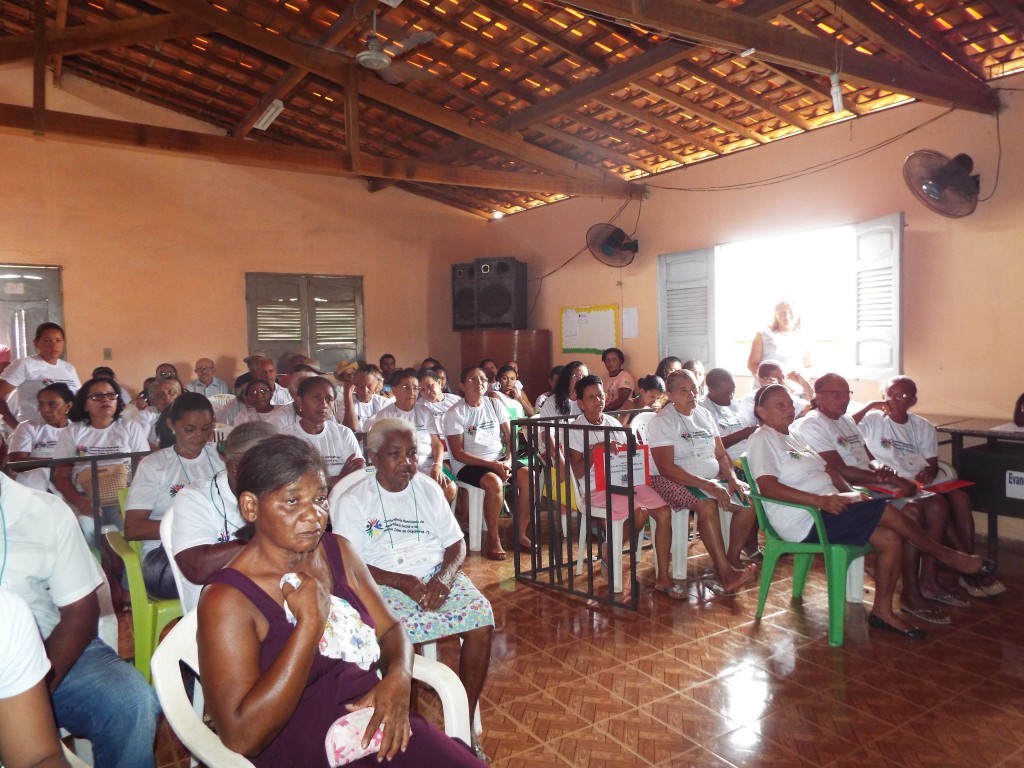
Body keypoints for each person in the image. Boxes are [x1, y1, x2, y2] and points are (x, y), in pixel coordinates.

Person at [196, 435, 485, 768]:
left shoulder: (337, 552)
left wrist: (398, 677)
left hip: (377, 728)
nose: (314, 515)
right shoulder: (228, 599)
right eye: (292, 501)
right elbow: (243, 737)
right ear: (251, 507)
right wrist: (310, 624)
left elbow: (391, 629)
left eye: (320, 499)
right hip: (304, 749)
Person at [747, 383, 996, 639]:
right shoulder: (762, 439)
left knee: (891, 539)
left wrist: (849, 493)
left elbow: (830, 470)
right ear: (761, 412)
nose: (789, 409)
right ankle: (947, 556)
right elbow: (767, 488)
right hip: (804, 519)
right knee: (888, 511)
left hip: (830, 509)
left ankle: (882, 612)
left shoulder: (792, 436)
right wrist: (819, 501)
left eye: (789, 403)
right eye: (780, 405)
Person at [331, 419, 493, 757]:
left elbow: (457, 544)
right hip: (383, 582)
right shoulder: (354, 501)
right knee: (402, 638)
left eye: (412, 454)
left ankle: (463, 724)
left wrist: (445, 579)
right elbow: (349, 563)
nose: (407, 462)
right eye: (395, 454)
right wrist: (403, 582)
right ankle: (412, 728)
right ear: (373, 456)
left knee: (481, 618)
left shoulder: (428, 488)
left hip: (435, 574)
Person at [0, 472, 160, 766]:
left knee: (131, 701)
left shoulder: (42, 511)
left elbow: (81, 609)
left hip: (50, 649)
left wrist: (35, 689)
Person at [793, 373, 958, 623]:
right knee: (912, 511)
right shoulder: (812, 424)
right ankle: (911, 593)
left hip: (873, 483)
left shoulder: (846, 421)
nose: (843, 400)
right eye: (835, 394)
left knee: (937, 504)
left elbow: (869, 457)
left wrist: (883, 469)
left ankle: (929, 581)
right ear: (818, 396)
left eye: (846, 394)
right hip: (848, 489)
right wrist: (888, 480)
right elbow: (839, 470)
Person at [858, 375, 1005, 599]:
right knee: (935, 508)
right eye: (890, 395)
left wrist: (930, 471)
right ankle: (969, 570)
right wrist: (870, 405)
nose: (895, 400)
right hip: (896, 482)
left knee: (961, 499)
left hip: (920, 479)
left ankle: (967, 562)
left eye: (903, 395)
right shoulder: (873, 420)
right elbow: (844, 427)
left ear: (913, 400)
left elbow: (933, 463)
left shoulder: (922, 425)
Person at [567, 376, 681, 597]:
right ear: (581, 402)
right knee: (638, 514)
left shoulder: (612, 422)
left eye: (600, 395)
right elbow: (578, 471)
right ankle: (611, 551)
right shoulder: (576, 429)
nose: (598, 400)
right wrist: (595, 449)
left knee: (663, 511)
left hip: (623, 479)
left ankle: (663, 577)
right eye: (591, 397)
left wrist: (632, 449)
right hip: (595, 488)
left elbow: (623, 455)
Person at [647, 370, 759, 595]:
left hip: (709, 478)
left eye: (694, 390)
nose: (692, 395)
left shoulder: (704, 415)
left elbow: (721, 455)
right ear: (669, 394)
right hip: (669, 479)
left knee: (750, 499)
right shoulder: (662, 421)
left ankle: (730, 561)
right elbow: (666, 467)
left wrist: (733, 480)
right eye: (684, 391)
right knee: (707, 505)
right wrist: (709, 486)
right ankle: (726, 575)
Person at [169, 421, 278, 611]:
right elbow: (197, 568)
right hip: (218, 614)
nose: (278, 472)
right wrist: (267, 536)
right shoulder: (196, 497)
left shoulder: (284, 491)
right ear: (235, 468)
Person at [124, 392, 224, 599]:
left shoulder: (221, 458)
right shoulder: (154, 466)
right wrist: (192, 530)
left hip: (214, 546)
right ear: (171, 425)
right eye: (189, 429)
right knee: (223, 579)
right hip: (164, 554)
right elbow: (133, 528)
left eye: (206, 429)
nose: (199, 436)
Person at [53, 376, 150, 539]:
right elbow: (61, 476)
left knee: (125, 532)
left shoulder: (130, 427)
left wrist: (132, 500)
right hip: (84, 498)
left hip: (123, 496)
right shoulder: (72, 432)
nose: (105, 399)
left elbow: (142, 468)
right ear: (84, 404)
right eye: (97, 396)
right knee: (86, 531)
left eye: (111, 395)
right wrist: (80, 502)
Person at [443, 366, 512, 561]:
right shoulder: (456, 413)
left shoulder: (494, 404)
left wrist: (508, 460)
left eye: (483, 379)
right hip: (468, 465)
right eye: (473, 379)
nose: (480, 383)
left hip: (498, 459)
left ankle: (521, 534)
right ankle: (494, 538)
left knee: (527, 476)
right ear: (462, 386)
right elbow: (458, 453)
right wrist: (494, 466)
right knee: (493, 483)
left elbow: (509, 437)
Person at [0, 589, 72, 768]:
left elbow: (37, 758)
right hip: (29, 662)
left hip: (46, 652)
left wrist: (39, 686)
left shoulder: (6, 613)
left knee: (132, 700)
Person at [367, 369, 456, 504]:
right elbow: (378, 449)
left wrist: (437, 465)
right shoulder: (385, 415)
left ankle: (431, 522)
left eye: (415, 388)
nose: (412, 392)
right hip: (398, 469)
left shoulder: (425, 412)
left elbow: (436, 443)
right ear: (394, 390)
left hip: (427, 466)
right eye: (406, 387)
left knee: (449, 487)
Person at [284, 376, 365, 488]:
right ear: (299, 402)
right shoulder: (286, 438)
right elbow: (293, 484)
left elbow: (359, 473)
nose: (324, 404)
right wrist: (341, 477)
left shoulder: (343, 433)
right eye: (317, 397)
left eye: (329, 399)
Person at [0, 322, 80, 427]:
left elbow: (78, 399)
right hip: (33, 432)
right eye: (47, 341)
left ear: (64, 342)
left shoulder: (69, 368)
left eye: (58, 340)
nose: (53, 345)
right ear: (36, 343)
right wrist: (15, 426)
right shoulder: (25, 365)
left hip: (64, 432)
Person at [747, 299, 813, 377]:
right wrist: (770, 377)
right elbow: (752, 364)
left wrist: (799, 377)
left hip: (793, 386)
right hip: (766, 386)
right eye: (782, 313)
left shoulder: (804, 336)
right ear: (776, 315)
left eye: (791, 312)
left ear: (798, 314)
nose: (786, 316)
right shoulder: (763, 333)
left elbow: (810, 367)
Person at [738, 360, 812, 427]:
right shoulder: (750, 399)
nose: (781, 382)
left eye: (782, 378)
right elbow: (751, 428)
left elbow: (813, 408)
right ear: (762, 381)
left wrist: (804, 383)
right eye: (776, 379)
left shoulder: (785, 397)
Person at [342, 367, 388, 433]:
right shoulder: (346, 402)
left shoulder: (383, 402)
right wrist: (347, 394)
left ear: (376, 385)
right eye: (361, 386)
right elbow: (352, 428)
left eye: (369, 386)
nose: (365, 390)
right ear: (355, 385)